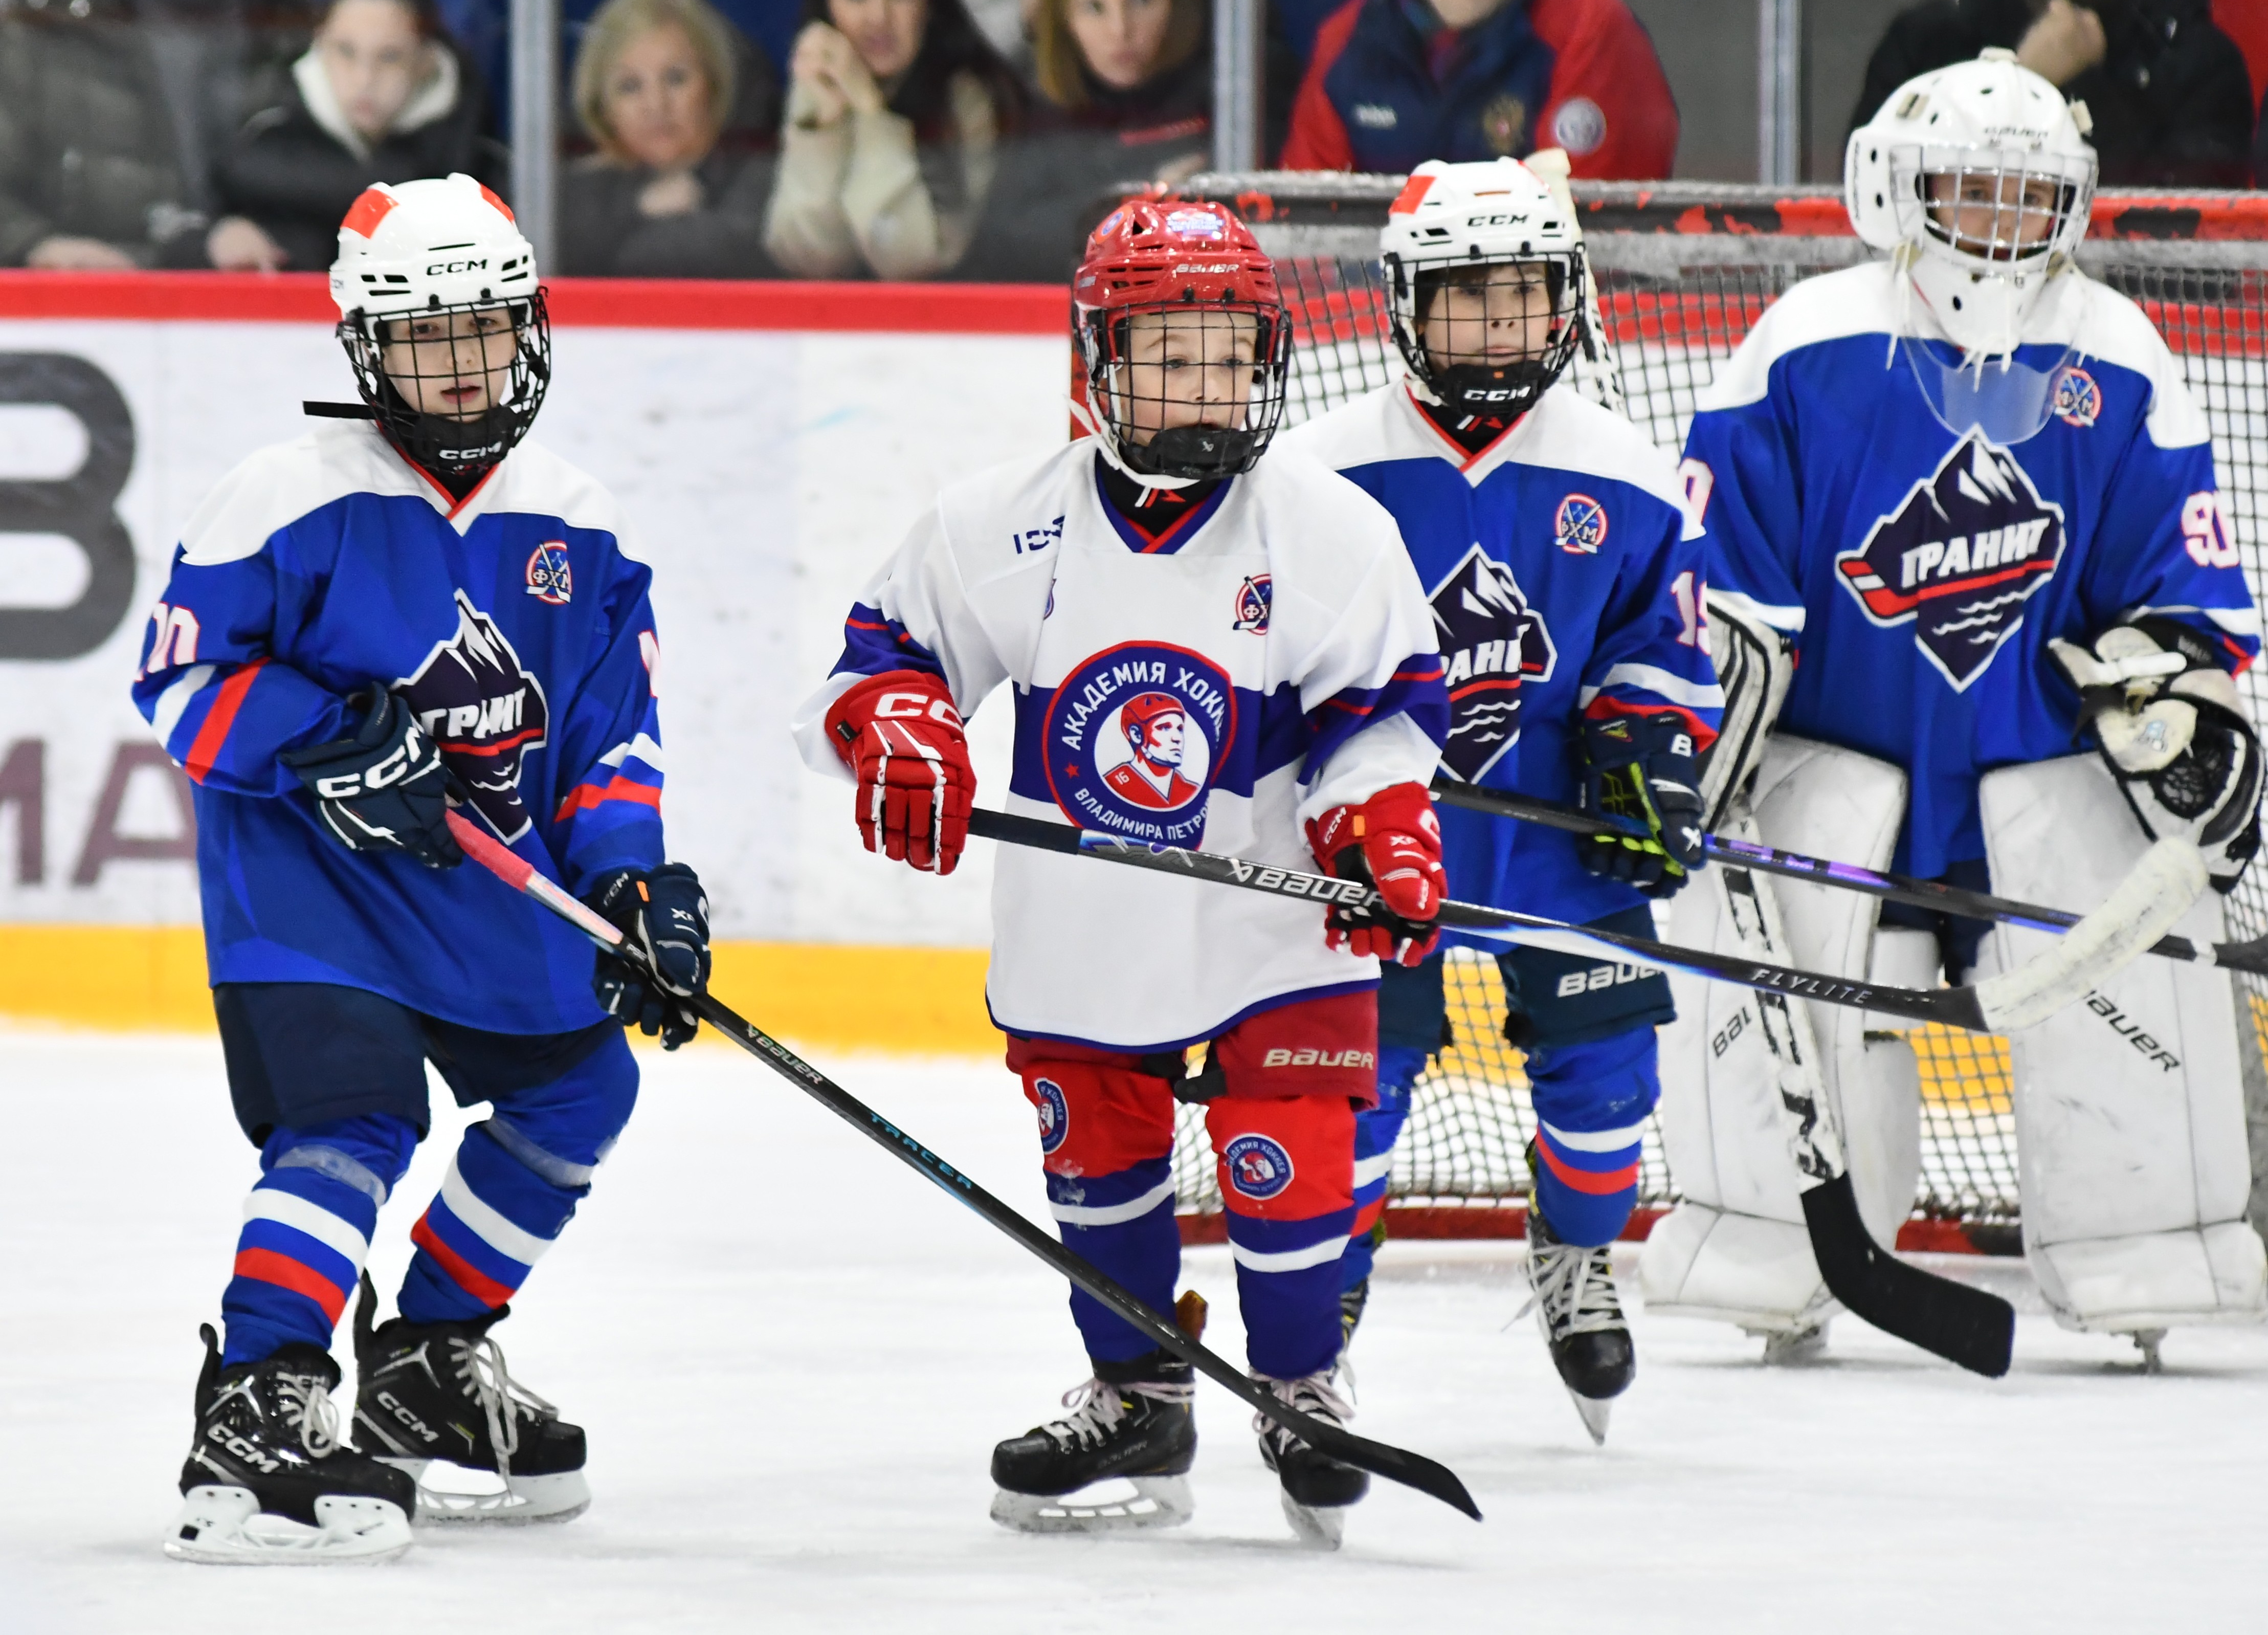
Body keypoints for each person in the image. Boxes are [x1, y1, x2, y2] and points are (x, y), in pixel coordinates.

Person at [791, 198, 1450, 1546]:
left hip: (1273, 920)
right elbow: (881, 659)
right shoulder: (999, 525)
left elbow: (1380, 709)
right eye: (1169, 354)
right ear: (1099, 360)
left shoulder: (1327, 531)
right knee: (1099, 1160)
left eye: (1227, 356)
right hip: (1087, 926)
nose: (1204, 386)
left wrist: (1375, 819)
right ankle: (1138, 1393)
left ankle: (1299, 1382)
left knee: (1286, 1149)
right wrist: (901, 727)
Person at [1649, 52, 2266, 1361]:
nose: (1999, 218)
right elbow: (1713, 578)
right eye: (1970, 186)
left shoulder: (2117, 353)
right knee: (1790, 918)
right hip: (1840, 785)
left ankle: (2144, 1247)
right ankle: (1762, 1237)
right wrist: (1709, 711)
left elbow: (2180, 586)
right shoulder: (1805, 344)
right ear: (1899, 186)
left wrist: (2176, 701)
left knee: (2121, 915)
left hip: (2038, 786)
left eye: (2027, 193)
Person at [132, 174, 711, 1563]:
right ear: (363, 344)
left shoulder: (579, 520)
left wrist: (630, 882)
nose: (458, 362)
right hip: (314, 894)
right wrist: (324, 733)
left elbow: (609, 740)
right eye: (421, 334)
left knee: (583, 1088)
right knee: (354, 1111)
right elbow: (178, 682)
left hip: (486, 890)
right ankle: (261, 1395)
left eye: (484, 326)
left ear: (530, 325)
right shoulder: (285, 495)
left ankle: (426, 1361)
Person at [1278, 156, 1718, 1443]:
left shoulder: (1623, 470)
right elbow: (1277, 659)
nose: (1496, 322)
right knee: (1357, 1083)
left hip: (1557, 833)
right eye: (1465, 296)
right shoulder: (1319, 472)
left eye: (1521, 292)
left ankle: (1573, 1248)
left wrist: (1645, 743)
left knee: (1609, 1087)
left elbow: (1659, 644)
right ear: (1405, 304)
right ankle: (1325, 1278)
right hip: (1376, 839)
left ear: (1565, 299)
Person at [0, 0, 304, 269]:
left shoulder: (297, 28)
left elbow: (318, 197)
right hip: (86, 291)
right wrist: (35, 245)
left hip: (261, 291)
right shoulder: (43, 21)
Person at [212, 0, 506, 273]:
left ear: (426, 58)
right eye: (346, 52)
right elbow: (191, 225)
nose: (364, 79)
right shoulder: (262, 130)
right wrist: (219, 239)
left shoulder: (480, 154)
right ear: (320, 41)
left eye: (389, 56)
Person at [1850, 0, 2254, 189]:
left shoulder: (2202, 66)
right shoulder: (1928, 41)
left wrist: (2089, 91)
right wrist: (2015, 84)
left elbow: (2189, 254)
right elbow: (1869, 192)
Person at [1279, 0, 1676, 181]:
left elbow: (1596, 252)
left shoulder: (1589, 28)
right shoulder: (1344, 43)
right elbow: (1307, 251)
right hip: (1380, 310)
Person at [765, 0, 1026, 281]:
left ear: (929, 2)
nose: (878, 17)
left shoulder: (969, 98)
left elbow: (910, 261)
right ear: (826, 4)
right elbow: (806, 258)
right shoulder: (819, 79)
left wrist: (870, 112)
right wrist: (823, 129)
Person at [974, 0, 1210, 281]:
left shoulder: (1231, 89)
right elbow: (1002, 246)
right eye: (1093, 7)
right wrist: (1145, 206)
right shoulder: (1038, 111)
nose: (1120, 30)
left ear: (1178, 1)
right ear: (1064, 19)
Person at [559, 0, 781, 278]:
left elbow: (712, 256)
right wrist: (636, 208)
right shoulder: (567, 196)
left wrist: (618, 229)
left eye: (676, 78)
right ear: (603, 107)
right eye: (630, 86)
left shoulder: (763, 182)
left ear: (713, 85)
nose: (656, 105)